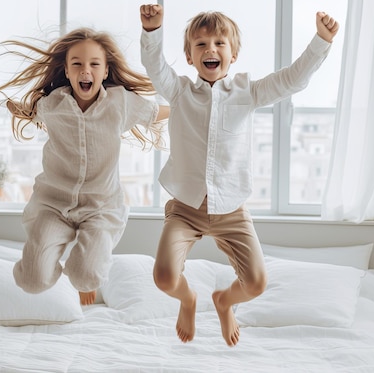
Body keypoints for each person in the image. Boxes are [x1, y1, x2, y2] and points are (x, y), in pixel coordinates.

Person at [139, 4, 339, 346]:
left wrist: (321, 40)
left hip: (231, 209)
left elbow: (292, 79)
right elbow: (154, 66)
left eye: (219, 43)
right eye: (200, 45)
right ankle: (188, 299)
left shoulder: (248, 93)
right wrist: (152, 31)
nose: (210, 50)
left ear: (233, 54)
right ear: (189, 56)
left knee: (256, 283)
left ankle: (224, 301)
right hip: (186, 207)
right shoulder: (180, 91)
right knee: (164, 277)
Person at [0, 27, 169, 305]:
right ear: (68, 72)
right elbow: (32, 112)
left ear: (106, 71)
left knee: (87, 276)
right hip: (53, 206)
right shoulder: (54, 103)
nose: (86, 71)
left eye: (94, 64)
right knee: (31, 281)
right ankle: (45, 261)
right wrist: (18, 110)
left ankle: (81, 266)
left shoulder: (121, 103)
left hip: (100, 208)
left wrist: (192, 105)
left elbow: (156, 113)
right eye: (77, 64)